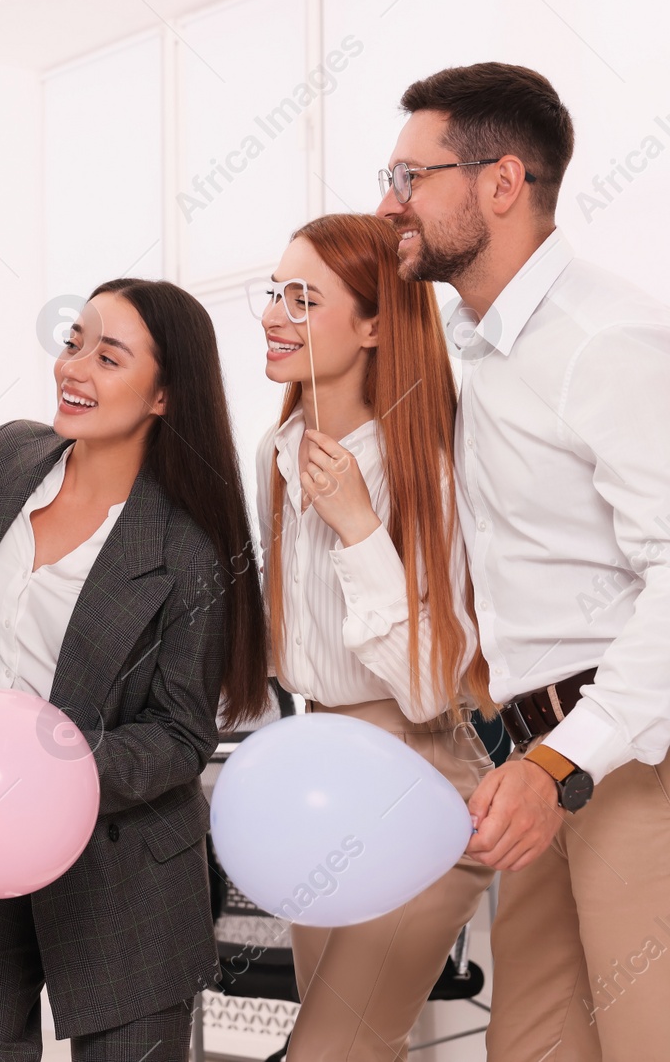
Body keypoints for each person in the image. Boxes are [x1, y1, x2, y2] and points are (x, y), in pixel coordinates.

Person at [376, 63, 670, 1061]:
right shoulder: (476, 344)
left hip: (631, 761)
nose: (389, 201)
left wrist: (560, 758)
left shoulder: (605, 338)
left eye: (410, 174)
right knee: (532, 1048)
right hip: (534, 760)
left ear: (500, 184)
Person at [0, 278, 268, 1061]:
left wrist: (53, 772)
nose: (75, 367)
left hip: (125, 871)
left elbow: (180, 734)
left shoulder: (187, 549)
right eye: (75, 342)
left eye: (109, 356)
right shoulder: (9, 456)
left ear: (166, 393)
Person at [251, 212, 496, 1059]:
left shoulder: (430, 462)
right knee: (353, 1049)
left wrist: (359, 529)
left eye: (304, 297)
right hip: (316, 777)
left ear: (375, 325)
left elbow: (432, 688)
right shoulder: (277, 454)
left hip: (421, 778)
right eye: (274, 291)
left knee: (330, 1051)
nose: (274, 314)